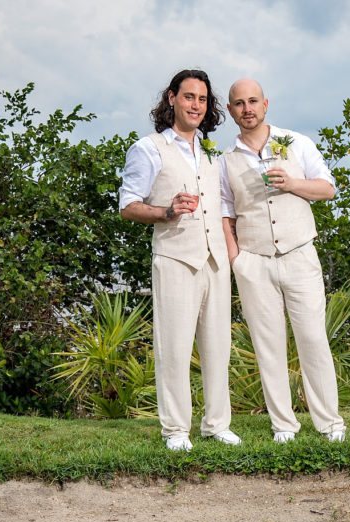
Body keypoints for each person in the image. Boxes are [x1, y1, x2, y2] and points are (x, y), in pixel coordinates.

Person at [119, 69, 241, 452]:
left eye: (203, 100)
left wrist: (232, 254)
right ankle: (175, 431)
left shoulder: (211, 153)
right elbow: (127, 205)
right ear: (171, 99)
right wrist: (166, 212)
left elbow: (223, 208)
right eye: (189, 97)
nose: (196, 105)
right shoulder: (149, 148)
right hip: (174, 258)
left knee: (218, 346)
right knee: (173, 348)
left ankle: (217, 425)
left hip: (215, 261)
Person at [220, 79, 346, 443]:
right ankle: (283, 426)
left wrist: (291, 183)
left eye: (253, 101)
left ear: (266, 104)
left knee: (312, 339)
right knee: (268, 345)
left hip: (299, 254)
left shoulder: (297, 143)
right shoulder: (225, 160)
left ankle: (330, 424)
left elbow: (327, 188)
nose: (247, 108)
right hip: (254, 262)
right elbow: (226, 214)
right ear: (231, 110)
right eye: (239, 103)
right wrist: (237, 260)